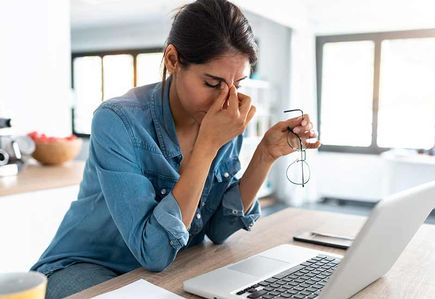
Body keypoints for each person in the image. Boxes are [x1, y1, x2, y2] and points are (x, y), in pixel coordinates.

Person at [30, 0, 320, 297]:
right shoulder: (117, 121)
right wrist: (207, 146)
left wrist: (265, 155)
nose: (227, 100)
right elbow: (153, 252)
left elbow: (219, 230)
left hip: (165, 268)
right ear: (172, 59)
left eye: (238, 84)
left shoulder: (222, 120)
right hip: (87, 266)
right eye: (212, 82)